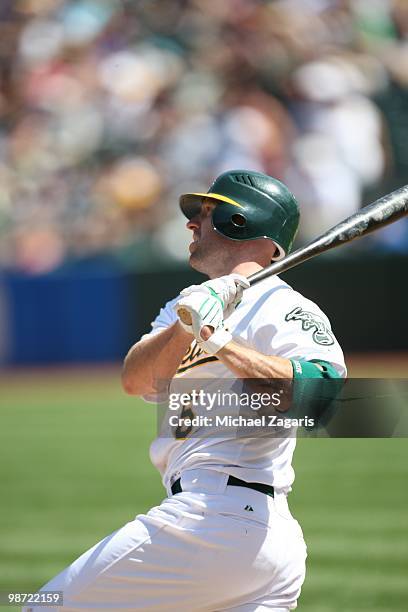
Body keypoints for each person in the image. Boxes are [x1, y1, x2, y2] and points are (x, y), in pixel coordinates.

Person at [25, 170, 346, 612]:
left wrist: (218, 339)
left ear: (242, 222)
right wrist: (188, 323)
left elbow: (322, 398)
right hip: (233, 533)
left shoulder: (286, 307)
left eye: (207, 214)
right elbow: (135, 380)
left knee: (42, 604)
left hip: (216, 517)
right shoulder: (192, 300)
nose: (192, 224)